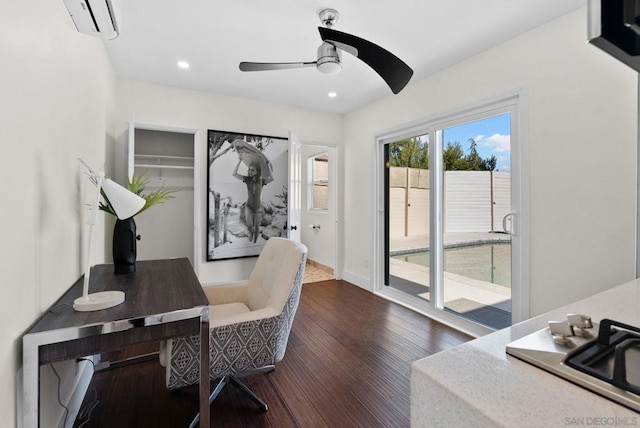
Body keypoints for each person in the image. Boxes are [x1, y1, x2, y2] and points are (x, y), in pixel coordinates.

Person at [233, 159, 273, 242]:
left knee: (257, 227)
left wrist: (268, 166)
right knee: (250, 225)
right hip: (249, 205)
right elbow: (234, 174)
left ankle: (255, 241)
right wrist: (239, 161)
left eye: (252, 170)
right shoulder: (247, 180)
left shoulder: (262, 181)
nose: (250, 172)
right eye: (249, 170)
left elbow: (271, 178)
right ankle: (251, 233)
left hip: (258, 206)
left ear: (257, 171)